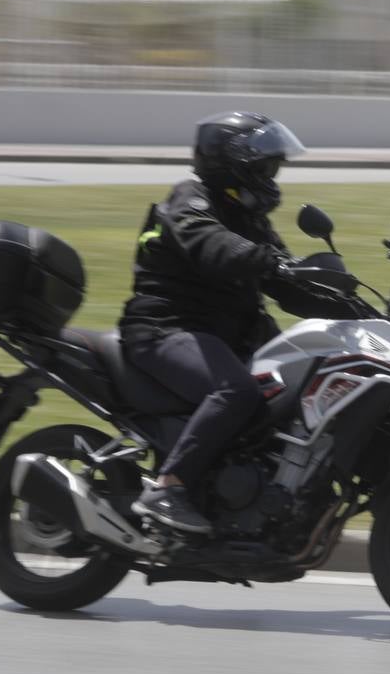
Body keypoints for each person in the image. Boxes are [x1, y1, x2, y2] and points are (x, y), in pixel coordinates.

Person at [120, 111, 353, 535]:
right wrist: (273, 261)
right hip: (167, 329)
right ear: (234, 164)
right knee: (237, 390)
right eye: (265, 166)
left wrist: (352, 306)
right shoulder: (190, 199)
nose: (272, 175)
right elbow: (212, 245)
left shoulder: (249, 218)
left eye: (274, 166)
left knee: (300, 383)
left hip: (225, 334)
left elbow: (288, 286)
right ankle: (168, 488)